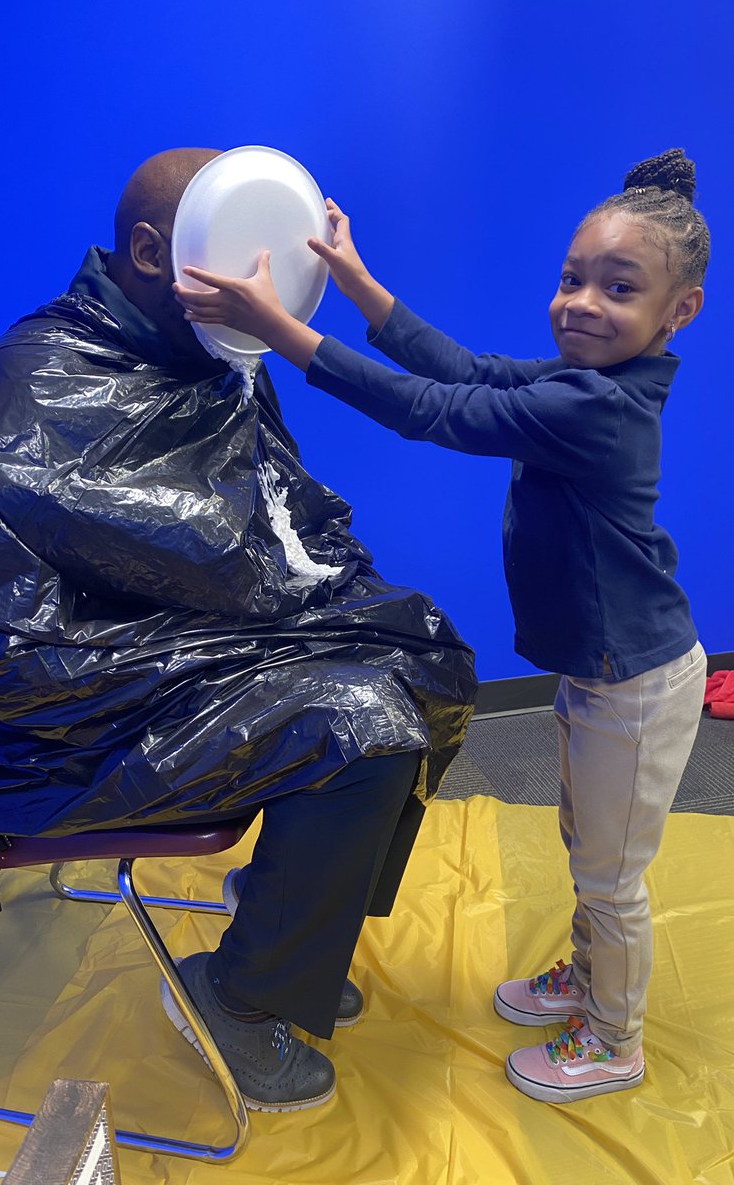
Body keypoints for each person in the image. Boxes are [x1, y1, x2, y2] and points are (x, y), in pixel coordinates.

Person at [0, 148, 477, 1113]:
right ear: (151, 253)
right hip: (58, 709)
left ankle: (289, 927)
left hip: (165, 645)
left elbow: (275, 515)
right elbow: (197, 556)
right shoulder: (35, 384)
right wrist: (295, 596)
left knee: (426, 652)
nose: (259, 305)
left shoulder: (208, 353)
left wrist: (327, 586)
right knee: (364, 724)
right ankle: (240, 996)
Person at [174, 147, 710, 1103]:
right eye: (572, 279)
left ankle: (613, 1038)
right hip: (603, 670)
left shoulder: (598, 410)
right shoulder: (581, 384)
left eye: (619, 288)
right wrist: (357, 283)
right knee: (589, 841)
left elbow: (430, 410)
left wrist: (283, 331)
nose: (582, 303)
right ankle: (589, 980)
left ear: (681, 311)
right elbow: (462, 369)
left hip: (635, 682)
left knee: (610, 873)